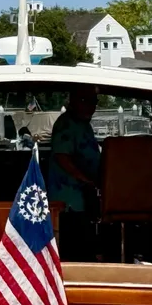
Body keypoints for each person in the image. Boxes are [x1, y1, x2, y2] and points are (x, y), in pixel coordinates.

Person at [48, 86, 101, 261]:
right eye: (85, 101)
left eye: (94, 102)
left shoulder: (84, 125)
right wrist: (86, 180)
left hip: (83, 199)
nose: (90, 106)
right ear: (73, 100)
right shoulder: (66, 124)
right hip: (68, 201)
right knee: (73, 247)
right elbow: (62, 156)